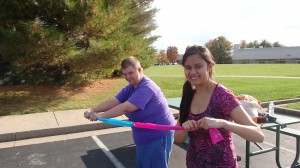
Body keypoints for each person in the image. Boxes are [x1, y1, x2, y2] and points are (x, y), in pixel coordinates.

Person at [174, 45, 264, 168]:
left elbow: (258, 135)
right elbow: (178, 139)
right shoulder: (188, 93)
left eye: (198, 66)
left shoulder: (222, 95)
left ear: (209, 67)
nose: (192, 72)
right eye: (188, 67)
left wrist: (223, 123)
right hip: (193, 163)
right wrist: (185, 128)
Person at [84, 56, 176, 168]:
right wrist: (93, 110)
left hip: (158, 136)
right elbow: (114, 101)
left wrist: (100, 116)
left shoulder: (147, 87)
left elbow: (126, 108)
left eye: (131, 73)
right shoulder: (131, 87)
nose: (128, 77)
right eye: (125, 74)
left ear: (140, 70)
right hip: (143, 137)